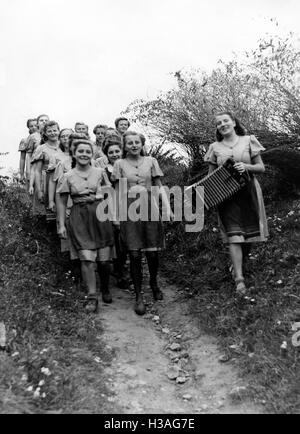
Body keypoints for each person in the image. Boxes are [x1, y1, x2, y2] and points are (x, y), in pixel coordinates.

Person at [204, 111, 268, 295]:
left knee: (249, 235)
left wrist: (246, 166)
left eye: (225, 121)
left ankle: (237, 265)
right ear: (217, 128)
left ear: (233, 122)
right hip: (226, 196)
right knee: (234, 236)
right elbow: (210, 177)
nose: (222, 124)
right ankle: (239, 279)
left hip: (249, 192)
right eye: (219, 123)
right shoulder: (214, 147)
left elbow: (261, 167)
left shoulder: (249, 140)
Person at [112, 131, 171, 315]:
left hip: (149, 206)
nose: (133, 145)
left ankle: (153, 282)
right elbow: (117, 191)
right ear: (125, 146)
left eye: (137, 142)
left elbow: (159, 185)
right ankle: (138, 296)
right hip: (129, 209)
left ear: (142, 144)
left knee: (153, 254)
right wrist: (115, 215)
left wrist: (167, 208)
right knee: (135, 254)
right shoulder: (119, 164)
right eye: (129, 143)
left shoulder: (151, 161)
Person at [56, 138, 115, 313]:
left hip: (100, 214)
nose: (84, 154)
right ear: (74, 153)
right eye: (80, 151)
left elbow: (109, 193)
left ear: (92, 154)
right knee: (87, 258)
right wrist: (61, 225)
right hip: (79, 216)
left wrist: (113, 215)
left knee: (104, 261)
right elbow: (61, 202)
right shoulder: (67, 176)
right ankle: (92, 296)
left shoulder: (100, 172)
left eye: (87, 152)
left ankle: (105, 288)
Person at [97, 135, 129, 289]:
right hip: (112, 205)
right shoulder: (104, 170)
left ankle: (124, 268)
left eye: (117, 151)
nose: (115, 155)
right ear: (106, 154)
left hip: (131, 205)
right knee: (116, 239)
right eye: (111, 152)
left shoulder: (128, 166)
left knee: (127, 240)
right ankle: (119, 272)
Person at [29, 120, 65, 219]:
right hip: (47, 182)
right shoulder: (41, 148)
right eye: (49, 131)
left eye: (55, 130)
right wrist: (39, 190)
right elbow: (37, 171)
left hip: (63, 181)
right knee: (48, 214)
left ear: (59, 131)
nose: (53, 133)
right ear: (45, 133)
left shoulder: (64, 146)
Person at [18, 118, 38, 186]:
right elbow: (22, 158)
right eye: (31, 126)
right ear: (28, 127)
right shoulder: (25, 140)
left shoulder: (44, 139)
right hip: (31, 168)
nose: (34, 128)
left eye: (36, 125)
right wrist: (21, 174)